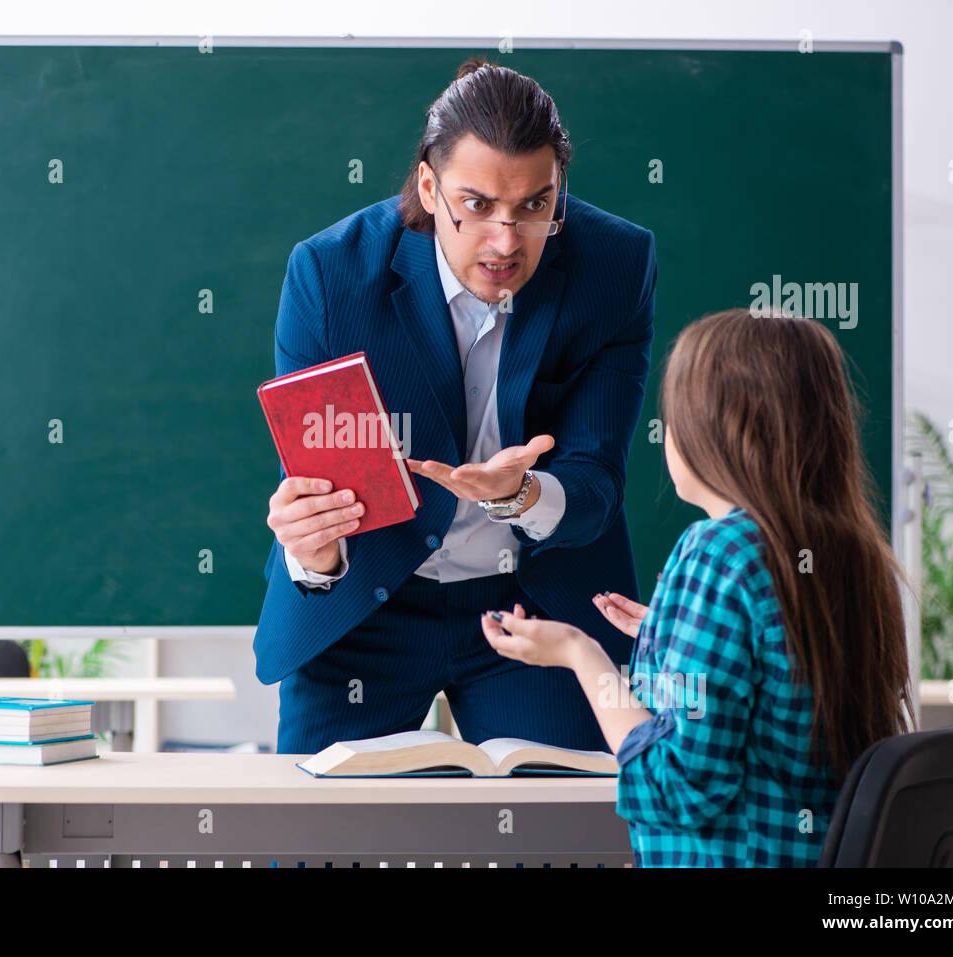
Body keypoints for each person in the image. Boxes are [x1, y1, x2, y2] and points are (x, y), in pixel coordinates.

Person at [256, 57, 658, 755]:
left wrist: (521, 494)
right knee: (321, 818)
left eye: (534, 206)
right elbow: (319, 484)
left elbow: (596, 481)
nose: (506, 242)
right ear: (428, 187)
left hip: (536, 606)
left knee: (563, 814)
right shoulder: (329, 275)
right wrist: (314, 549)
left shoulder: (615, 265)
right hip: (368, 602)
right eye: (476, 206)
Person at [482, 308, 915, 867]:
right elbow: (783, 678)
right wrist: (670, 634)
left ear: (718, 430)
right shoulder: (854, 551)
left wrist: (579, 652)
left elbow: (676, 790)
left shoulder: (719, 552)